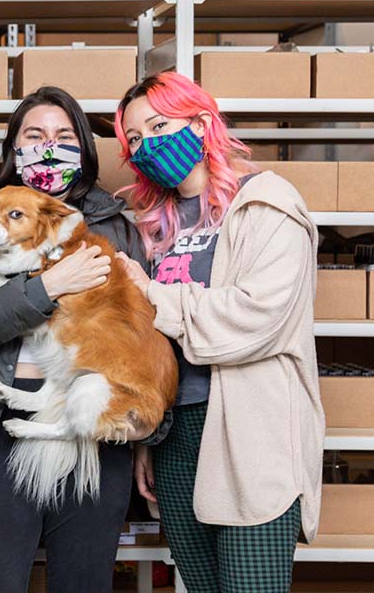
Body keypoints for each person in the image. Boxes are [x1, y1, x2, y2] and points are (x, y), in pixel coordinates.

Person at [0, 86, 151, 593]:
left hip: (94, 438)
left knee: (85, 583)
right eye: (34, 135)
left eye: (64, 136)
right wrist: (51, 285)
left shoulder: (115, 225)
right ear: (12, 148)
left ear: (85, 149)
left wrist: (148, 437)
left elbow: (147, 336)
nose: (49, 146)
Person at [114, 71, 323, 593]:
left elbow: (259, 316)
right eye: (134, 138)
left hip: (250, 431)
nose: (146, 145)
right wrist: (146, 436)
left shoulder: (266, 203)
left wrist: (153, 296)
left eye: (159, 125)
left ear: (202, 123)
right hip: (176, 433)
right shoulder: (155, 224)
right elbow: (150, 343)